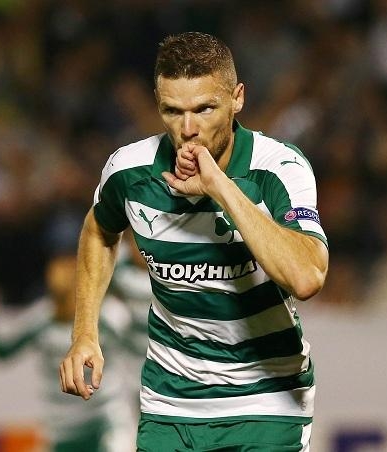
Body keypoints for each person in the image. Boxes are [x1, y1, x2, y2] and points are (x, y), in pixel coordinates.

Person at [59, 32, 329, 451]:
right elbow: (99, 230)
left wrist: (219, 186)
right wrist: (84, 333)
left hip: (268, 400)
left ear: (237, 99)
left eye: (205, 109)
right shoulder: (129, 171)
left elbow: (307, 277)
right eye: (173, 111)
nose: (188, 130)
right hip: (170, 402)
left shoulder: (278, 168)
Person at [0, 208, 136, 452]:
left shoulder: (108, 314)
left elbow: (139, 345)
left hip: (104, 424)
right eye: (55, 262)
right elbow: (3, 351)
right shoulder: (40, 317)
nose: (60, 271)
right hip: (61, 429)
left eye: (69, 261)